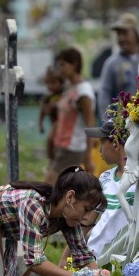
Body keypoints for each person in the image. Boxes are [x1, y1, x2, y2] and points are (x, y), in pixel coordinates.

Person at [84, 119, 139, 262]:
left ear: (115, 144)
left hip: (122, 257)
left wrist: (132, 251)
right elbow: (88, 219)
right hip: (94, 254)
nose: (99, 149)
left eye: (102, 142)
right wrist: (67, 253)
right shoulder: (105, 177)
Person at [47, 48, 97, 181]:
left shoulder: (83, 92)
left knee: (50, 183)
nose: (60, 69)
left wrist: (88, 157)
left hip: (72, 148)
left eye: (63, 64)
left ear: (74, 64)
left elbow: (90, 123)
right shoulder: (70, 87)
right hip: (61, 146)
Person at [99, 13, 139, 117]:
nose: (121, 38)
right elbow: (104, 97)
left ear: (136, 33)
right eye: (118, 34)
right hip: (124, 125)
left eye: (124, 33)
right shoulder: (112, 64)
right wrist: (109, 124)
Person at [37, 66, 64, 165]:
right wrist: (41, 125)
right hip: (56, 123)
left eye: (53, 83)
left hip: (63, 123)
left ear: (61, 83)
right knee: (50, 139)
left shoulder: (64, 95)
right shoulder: (48, 98)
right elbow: (42, 112)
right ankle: (50, 159)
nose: (50, 86)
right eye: (48, 83)